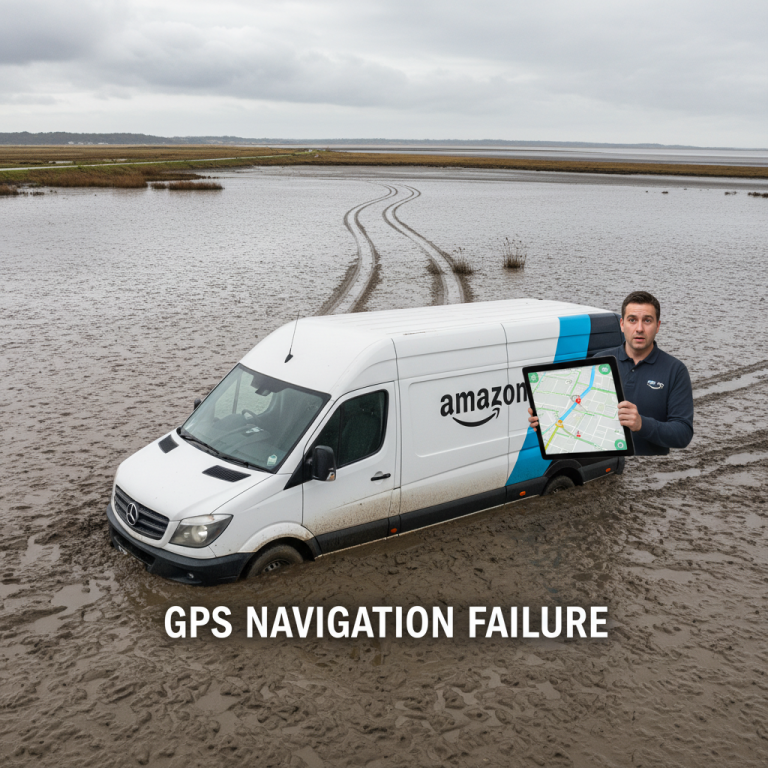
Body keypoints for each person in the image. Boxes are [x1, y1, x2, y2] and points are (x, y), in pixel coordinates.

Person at [528, 291, 693, 455]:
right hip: (604, 464)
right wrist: (547, 419)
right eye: (632, 320)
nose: (639, 328)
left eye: (647, 320)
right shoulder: (599, 362)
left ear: (657, 326)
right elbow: (578, 413)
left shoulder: (675, 370)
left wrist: (642, 424)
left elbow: (683, 434)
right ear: (622, 324)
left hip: (650, 467)